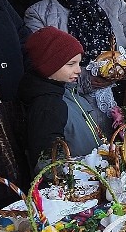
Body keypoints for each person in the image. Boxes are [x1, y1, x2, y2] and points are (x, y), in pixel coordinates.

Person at [24, 0, 126, 136]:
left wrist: (122, 67)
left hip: (122, 96)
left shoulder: (115, 5)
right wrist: (87, 78)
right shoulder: (39, 13)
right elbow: (43, 63)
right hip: (71, 105)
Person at [18, 26, 105, 168]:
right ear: (49, 65)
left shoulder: (67, 91)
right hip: (74, 183)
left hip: (90, 174)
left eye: (79, 63)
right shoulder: (47, 105)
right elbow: (47, 162)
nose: (78, 70)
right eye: (71, 64)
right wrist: (73, 176)